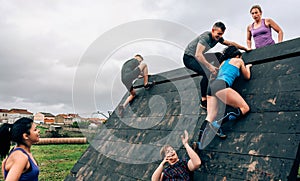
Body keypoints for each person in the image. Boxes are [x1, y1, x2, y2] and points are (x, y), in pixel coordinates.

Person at [183, 22, 250, 110]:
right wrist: (210, 67)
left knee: (218, 55)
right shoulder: (206, 37)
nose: (219, 37)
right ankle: (203, 101)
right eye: (218, 34)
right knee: (207, 72)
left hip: (198, 56)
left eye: (221, 35)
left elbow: (230, 43)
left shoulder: (218, 38)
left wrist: (244, 48)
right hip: (189, 58)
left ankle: (220, 73)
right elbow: (198, 55)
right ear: (213, 30)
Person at [196, 46, 252, 147]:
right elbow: (247, 76)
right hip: (222, 85)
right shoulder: (238, 60)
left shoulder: (222, 63)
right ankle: (217, 124)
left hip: (211, 87)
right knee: (245, 108)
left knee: (210, 115)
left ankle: (199, 142)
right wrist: (247, 67)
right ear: (237, 55)